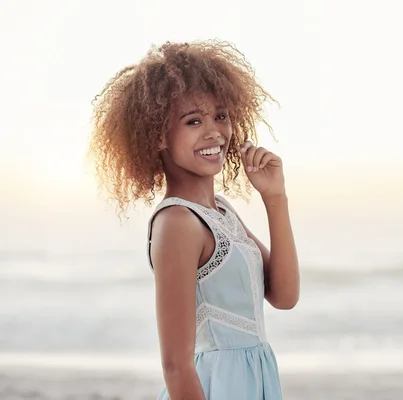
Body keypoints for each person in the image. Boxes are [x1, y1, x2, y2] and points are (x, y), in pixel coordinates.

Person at [88, 40, 300, 400]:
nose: (214, 132)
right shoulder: (177, 223)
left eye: (220, 115)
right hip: (216, 387)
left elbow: (284, 295)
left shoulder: (221, 212)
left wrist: (275, 197)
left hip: (255, 380)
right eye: (193, 121)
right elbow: (175, 365)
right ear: (157, 135)